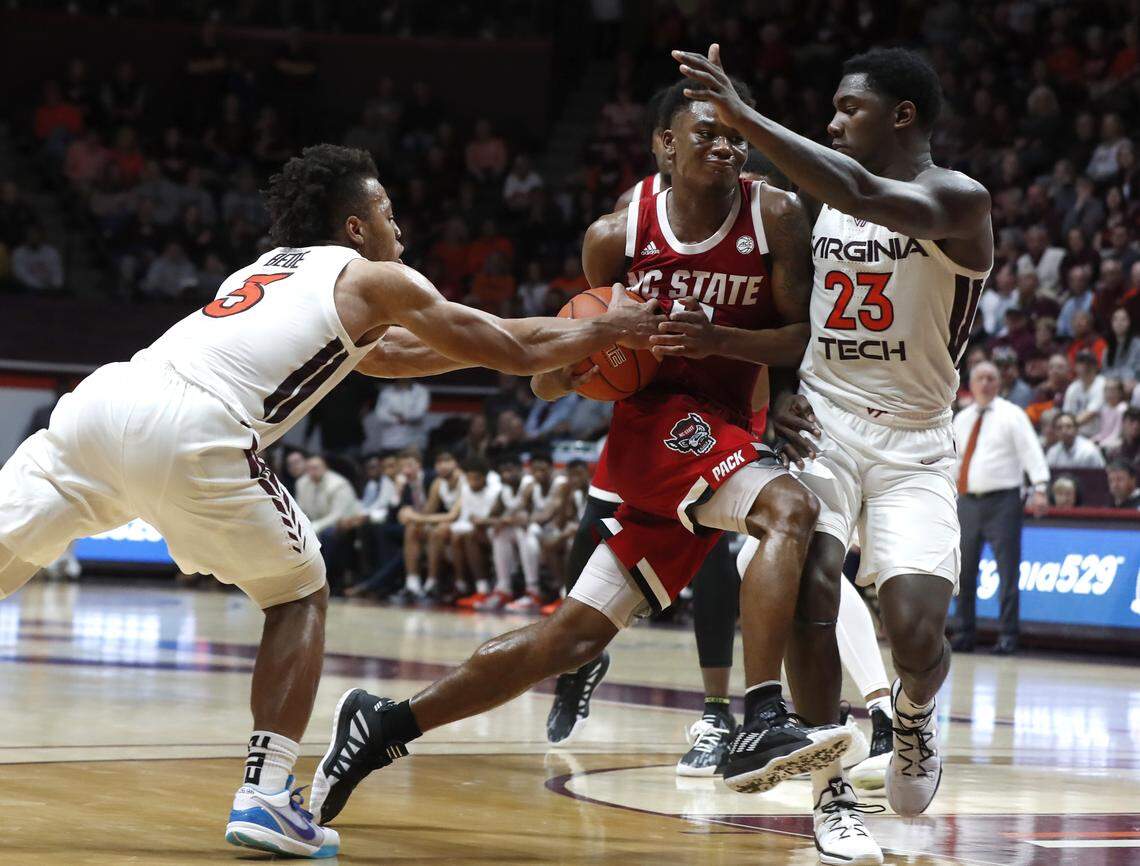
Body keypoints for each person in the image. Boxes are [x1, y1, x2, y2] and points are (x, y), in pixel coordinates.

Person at [0, 143, 659, 860]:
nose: (398, 229)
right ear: (354, 226)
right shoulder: (378, 276)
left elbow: (408, 355)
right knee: (299, 594)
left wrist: (558, 337)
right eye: (387, 211)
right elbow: (499, 345)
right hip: (194, 426)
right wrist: (600, 331)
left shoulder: (264, 270)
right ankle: (266, 794)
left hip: (101, 401)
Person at [308, 77, 847, 830]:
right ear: (663, 145)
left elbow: (797, 334)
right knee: (790, 510)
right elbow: (586, 352)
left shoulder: (777, 213)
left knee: (573, 637)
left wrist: (733, 353)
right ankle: (758, 715)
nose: (727, 147)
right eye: (707, 134)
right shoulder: (614, 237)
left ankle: (383, 725)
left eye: (736, 136)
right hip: (659, 425)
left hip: (733, 426)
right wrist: (567, 372)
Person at [673, 43, 994, 861]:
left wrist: (747, 115)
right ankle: (832, 792)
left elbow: (857, 189)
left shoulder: (957, 199)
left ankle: (914, 719)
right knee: (812, 582)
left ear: (903, 116)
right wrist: (781, 386)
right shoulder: (817, 207)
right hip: (826, 423)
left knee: (915, 631)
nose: (832, 119)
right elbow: (794, 310)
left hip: (916, 443)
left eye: (849, 108)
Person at [952, 362, 1049, 656]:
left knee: (1007, 572)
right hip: (966, 501)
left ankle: (1008, 635)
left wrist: (1041, 487)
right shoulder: (963, 418)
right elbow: (953, 458)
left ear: (999, 383)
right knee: (963, 572)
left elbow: (1030, 451)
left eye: (991, 378)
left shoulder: (1012, 415)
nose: (985, 383)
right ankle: (964, 633)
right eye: (980, 377)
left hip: (1003, 501)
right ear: (971, 382)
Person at [294, 455, 364, 595]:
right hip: (315, 524)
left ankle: (325, 581)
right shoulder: (301, 483)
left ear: (325, 468)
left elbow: (337, 516)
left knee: (328, 535)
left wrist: (315, 527)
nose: (312, 472)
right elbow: (299, 509)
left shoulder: (339, 485)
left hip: (345, 525)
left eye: (316, 468)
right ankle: (300, 582)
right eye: (309, 468)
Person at [1062, 350, 1107, 437]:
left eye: (1089, 363)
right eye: (1081, 362)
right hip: (1074, 434)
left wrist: (1067, 427)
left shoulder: (1102, 384)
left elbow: (1090, 413)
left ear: (1096, 366)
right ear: (1075, 367)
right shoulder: (1073, 388)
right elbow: (1066, 414)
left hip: (1096, 436)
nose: (1085, 366)